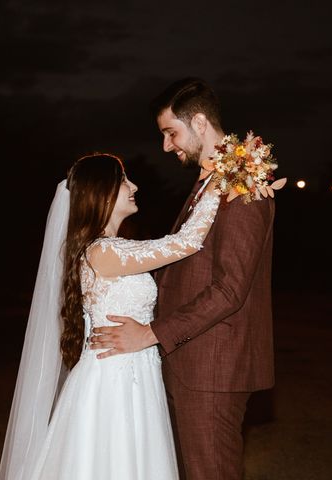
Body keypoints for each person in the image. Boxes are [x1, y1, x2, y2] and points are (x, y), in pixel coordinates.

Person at [90, 78, 276, 479]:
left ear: (200, 123)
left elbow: (230, 290)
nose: (166, 146)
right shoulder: (213, 182)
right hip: (190, 362)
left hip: (213, 366)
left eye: (171, 133)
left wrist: (151, 333)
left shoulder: (243, 184)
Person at [0, 153, 220, 480]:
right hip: (112, 382)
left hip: (134, 373)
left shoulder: (115, 248)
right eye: (123, 181)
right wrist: (223, 179)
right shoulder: (102, 252)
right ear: (101, 194)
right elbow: (185, 242)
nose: (134, 186)